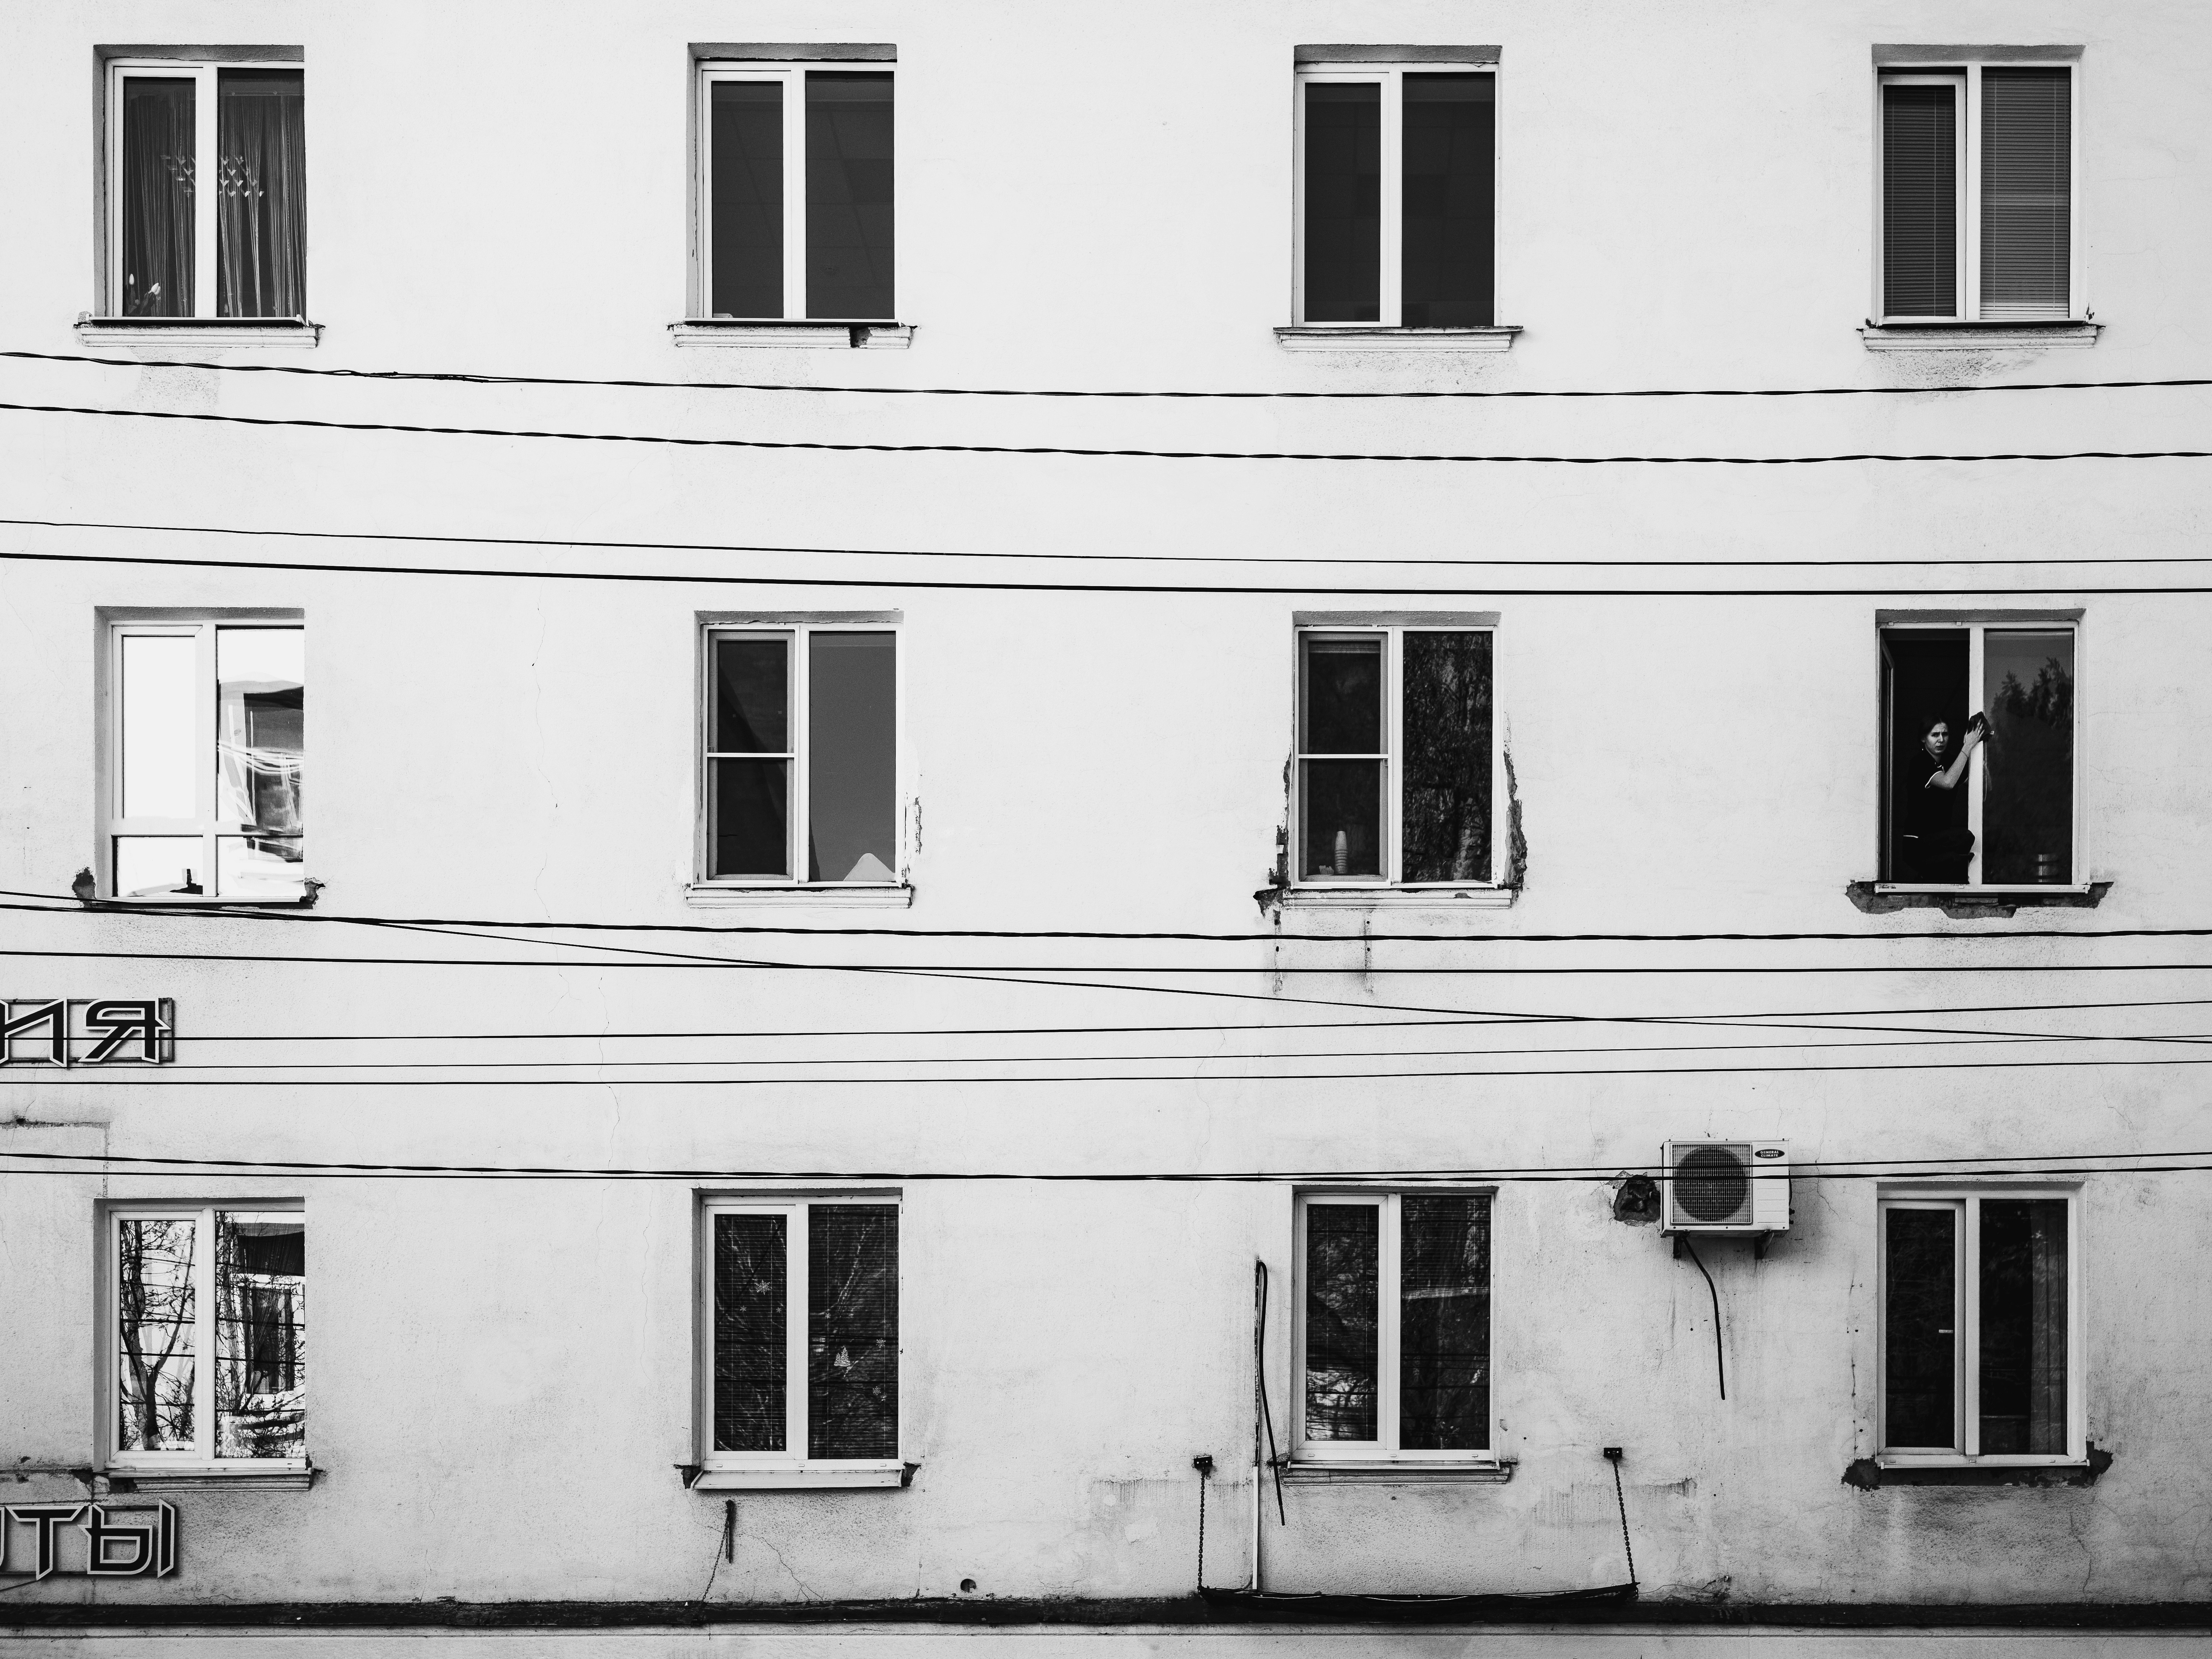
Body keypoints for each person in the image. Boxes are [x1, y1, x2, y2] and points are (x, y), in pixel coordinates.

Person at [1896, 711, 1985, 882]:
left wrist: (1982, 757)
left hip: (1940, 843)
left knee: (1959, 862)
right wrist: (1967, 747)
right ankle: (1925, 877)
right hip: (1918, 843)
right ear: (1924, 738)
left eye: (1945, 734)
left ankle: (1925, 879)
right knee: (1964, 840)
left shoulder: (1951, 761)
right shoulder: (1919, 763)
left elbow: (1983, 788)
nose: (1941, 740)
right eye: (1935, 735)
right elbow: (1948, 783)